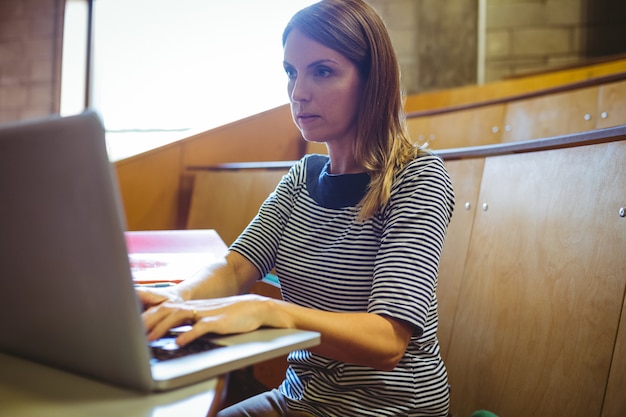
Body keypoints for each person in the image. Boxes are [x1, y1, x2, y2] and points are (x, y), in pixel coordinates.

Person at [139, 0, 455, 416]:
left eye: (322, 71)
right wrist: (177, 299)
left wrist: (271, 311)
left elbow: (388, 341)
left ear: (372, 80)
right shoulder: (304, 176)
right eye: (291, 72)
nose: (298, 92)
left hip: (388, 408)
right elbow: (236, 268)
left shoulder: (418, 177)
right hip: (301, 398)